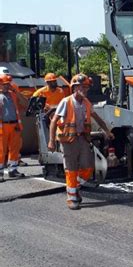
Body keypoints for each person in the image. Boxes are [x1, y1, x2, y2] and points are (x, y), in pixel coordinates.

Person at [48, 73, 114, 210]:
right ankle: (72, 198)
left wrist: (107, 131)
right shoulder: (66, 102)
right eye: (82, 87)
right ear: (75, 88)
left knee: (88, 167)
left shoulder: (86, 103)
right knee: (71, 169)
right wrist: (51, 141)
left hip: (82, 138)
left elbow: (97, 118)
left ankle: (74, 186)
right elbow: (54, 121)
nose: (85, 90)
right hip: (68, 140)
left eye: (86, 88)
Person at [0, 73, 24, 180]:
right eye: (4, 84)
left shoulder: (13, 94)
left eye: (8, 84)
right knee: (1, 149)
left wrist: (15, 91)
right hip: (3, 126)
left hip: (14, 125)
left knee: (14, 148)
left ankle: (13, 169)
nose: (7, 86)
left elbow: (24, 103)